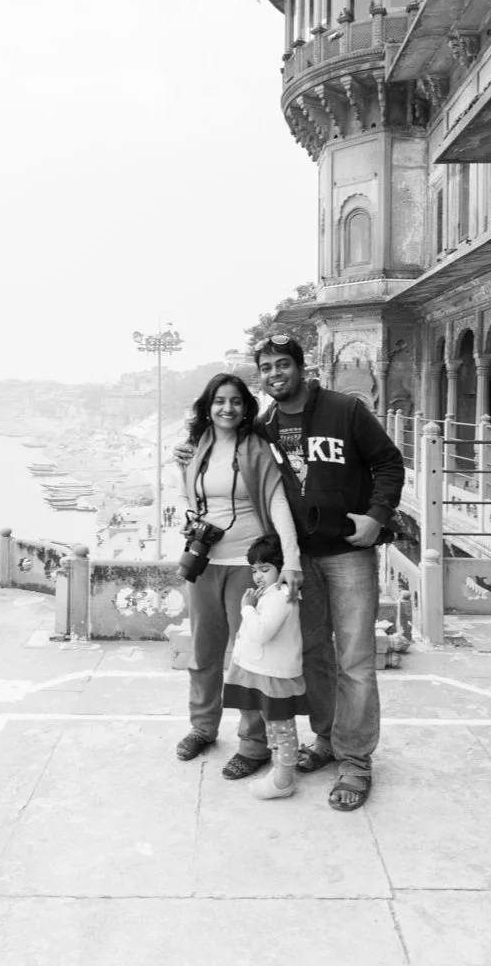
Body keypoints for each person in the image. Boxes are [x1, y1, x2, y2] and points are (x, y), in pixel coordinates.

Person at [253, 334, 404, 813]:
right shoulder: (265, 426)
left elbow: (388, 462)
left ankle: (356, 761)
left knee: (355, 660)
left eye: (283, 365)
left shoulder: (345, 410)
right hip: (300, 559)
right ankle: (327, 740)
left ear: (302, 367)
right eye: (268, 368)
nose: (276, 374)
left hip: (348, 553)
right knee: (314, 653)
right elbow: (236, 463)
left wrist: (378, 515)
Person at [175, 372, 303, 781]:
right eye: (219, 401)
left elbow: (277, 502)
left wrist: (292, 560)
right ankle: (202, 727)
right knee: (203, 650)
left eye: (235, 401)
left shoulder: (256, 449)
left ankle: (253, 744)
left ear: (246, 407)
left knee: (248, 656)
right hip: (205, 563)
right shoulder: (199, 448)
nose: (227, 408)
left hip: (251, 569)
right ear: (207, 407)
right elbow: (191, 500)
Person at [222, 534, 307, 801]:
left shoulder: (281, 596)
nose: (258, 576)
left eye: (265, 569)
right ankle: (278, 771)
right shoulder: (272, 594)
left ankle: (283, 780)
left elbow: (262, 632)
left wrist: (246, 608)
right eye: (254, 570)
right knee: (273, 725)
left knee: (282, 728)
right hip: (265, 671)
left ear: (282, 569)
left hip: (274, 674)